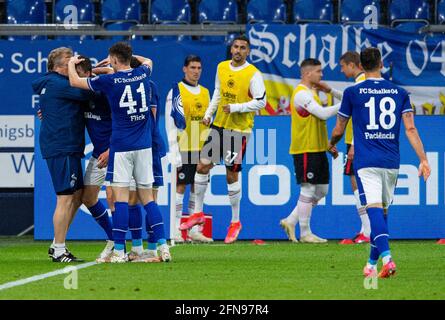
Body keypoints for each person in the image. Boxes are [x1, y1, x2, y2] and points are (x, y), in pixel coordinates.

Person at [328, 47, 430, 278]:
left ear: (362, 67)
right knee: (381, 214)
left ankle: (388, 259)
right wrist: (423, 160)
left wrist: (331, 143)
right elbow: (411, 128)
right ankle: (372, 265)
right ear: (381, 64)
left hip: (366, 161)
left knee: (374, 211)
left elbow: (339, 128)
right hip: (391, 160)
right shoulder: (400, 92)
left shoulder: (353, 93)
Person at [68, 42, 171, 263]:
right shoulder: (143, 74)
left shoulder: (110, 81)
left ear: (114, 60)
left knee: (121, 200)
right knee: (149, 200)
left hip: (122, 148)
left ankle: (118, 251)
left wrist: (70, 63)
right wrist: (125, 58)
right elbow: (147, 61)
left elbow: (75, 81)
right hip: (144, 148)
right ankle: (163, 247)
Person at [179, 35, 266, 244]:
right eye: (235, 47)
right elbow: (218, 92)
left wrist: (237, 108)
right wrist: (209, 113)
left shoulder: (253, 74)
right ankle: (198, 213)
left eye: (242, 48)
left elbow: (261, 102)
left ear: (248, 51)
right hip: (219, 125)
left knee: (230, 176)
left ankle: (235, 221)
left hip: (239, 129)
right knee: (202, 166)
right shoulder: (222, 67)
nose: (238, 50)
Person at [32, 47, 91, 262]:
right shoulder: (59, 83)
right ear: (59, 66)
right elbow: (89, 92)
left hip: (69, 146)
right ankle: (58, 249)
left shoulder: (54, 84)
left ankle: (57, 243)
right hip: (62, 146)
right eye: (70, 59)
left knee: (77, 196)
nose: (75, 61)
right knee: (65, 197)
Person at [279, 58, 340, 244]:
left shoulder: (312, 92)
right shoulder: (301, 94)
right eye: (319, 71)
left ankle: (291, 220)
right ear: (308, 74)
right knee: (308, 188)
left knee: (322, 191)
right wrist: (348, 105)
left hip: (318, 148)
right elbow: (322, 114)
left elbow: (317, 122)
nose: (322, 75)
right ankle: (305, 233)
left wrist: (328, 145)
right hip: (305, 148)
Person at [318, 51, 371, 244]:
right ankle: (366, 229)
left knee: (359, 184)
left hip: (358, 140)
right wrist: (330, 91)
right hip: (362, 140)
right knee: (361, 184)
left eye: (342, 66)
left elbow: (362, 117)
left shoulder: (361, 82)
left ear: (352, 65)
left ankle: (368, 230)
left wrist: (354, 146)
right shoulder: (363, 82)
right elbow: (351, 99)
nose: (341, 70)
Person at [71, 56, 115, 261]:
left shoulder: (104, 94)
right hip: (99, 154)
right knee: (88, 198)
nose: (76, 80)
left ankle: (143, 246)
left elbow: (123, 122)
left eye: (79, 75)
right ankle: (114, 238)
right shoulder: (81, 97)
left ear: (88, 75)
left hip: (116, 153)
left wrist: (111, 149)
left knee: (125, 201)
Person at [166, 54, 213, 243]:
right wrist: (174, 151)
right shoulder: (176, 91)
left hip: (201, 146)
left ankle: (194, 229)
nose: (196, 72)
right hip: (184, 145)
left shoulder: (206, 92)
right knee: (181, 186)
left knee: (198, 187)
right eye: (192, 68)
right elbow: (170, 123)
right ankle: (177, 228)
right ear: (185, 69)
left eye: (199, 68)